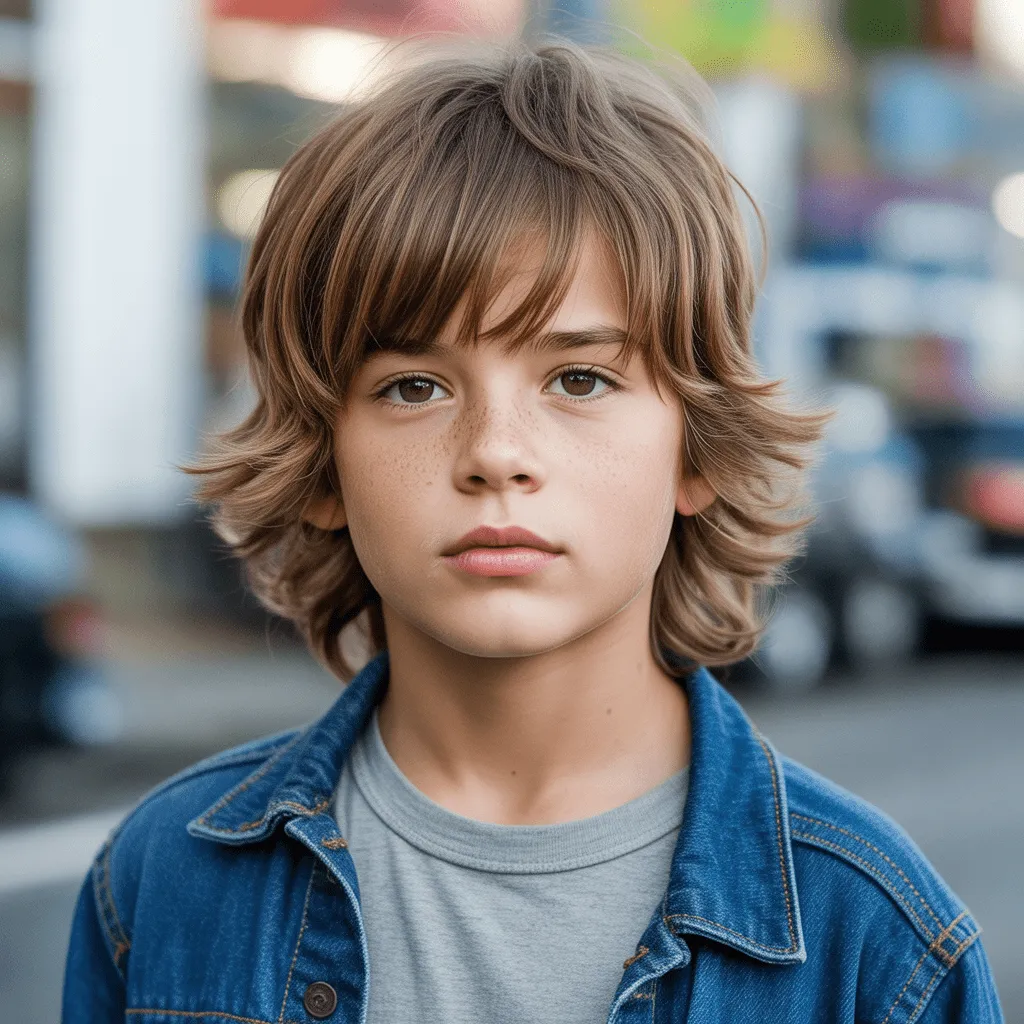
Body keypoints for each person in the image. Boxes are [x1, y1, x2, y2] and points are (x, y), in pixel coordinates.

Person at [62, 38, 1003, 1023]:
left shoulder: (880, 947)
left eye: (579, 379)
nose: (495, 453)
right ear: (324, 458)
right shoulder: (160, 882)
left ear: (696, 448)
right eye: (413, 386)